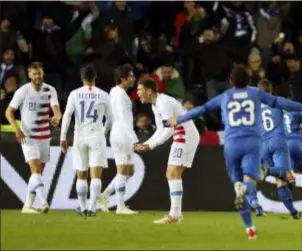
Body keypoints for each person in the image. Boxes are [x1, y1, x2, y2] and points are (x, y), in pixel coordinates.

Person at [169, 65, 302, 240]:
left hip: (231, 144)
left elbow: (203, 109)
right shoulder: (256, 93)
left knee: (238, 184)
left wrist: (179, 119)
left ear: (231, 81)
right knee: (249, 182)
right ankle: (245, 193)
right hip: (252, 143)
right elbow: (281, 103)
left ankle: (249, 228)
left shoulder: (225, 96)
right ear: (249, 80)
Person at [135, 78, 200, 224]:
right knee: (174, 174)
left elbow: (169, 130)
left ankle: (174, 216)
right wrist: (145, 143)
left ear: (149, 91)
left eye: (140, 90)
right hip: (183, 135)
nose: (138, 93)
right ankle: (176, 214)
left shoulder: (163, 103)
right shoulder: (156, 105)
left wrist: (150, 146)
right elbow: (160, 129)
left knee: (172, 173)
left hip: (184, 135)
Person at [5, 62, 62, 214]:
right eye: (34, 73)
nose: (37, 76)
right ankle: (44, 203)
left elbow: (56, 109)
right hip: (28, 137)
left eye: (39, 73)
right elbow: (9, 112)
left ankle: (27, 206)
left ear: (43, 73)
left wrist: (57, 116)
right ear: (29, 75)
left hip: (44, 137)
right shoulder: (23, 91)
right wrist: (16, 129)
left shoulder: (50, 90)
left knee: (38, 173)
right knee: (36, 170)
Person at [59, 64, 113, 217]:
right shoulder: (103, 95)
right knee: (96, 175)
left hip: (79, 136)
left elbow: (67, 115)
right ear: (95, 77)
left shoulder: (75, 94)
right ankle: (92, 208)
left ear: (82, 78)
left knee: (81, 174)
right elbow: (110, 119)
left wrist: (63, 137)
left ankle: (83, 208)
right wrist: (103, 131)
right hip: (96, 136)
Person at [255, 79, 300, 219]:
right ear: (271, 90)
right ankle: (267, 171)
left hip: (263, 145)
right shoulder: (277, 101)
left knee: (282, 179)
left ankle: (294, 212)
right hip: (278, 141)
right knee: (284, 179)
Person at [99, 64, 138, 215]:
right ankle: (120, 206)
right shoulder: (120, 95)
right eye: (131, 76)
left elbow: (109, 116)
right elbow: (122, 118)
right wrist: (133, 138)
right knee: (123, 170)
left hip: (119, 133)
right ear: (123, 79)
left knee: (129, 170)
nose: (133, 79)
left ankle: (105, 195)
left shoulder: (115, 93)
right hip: (122, 135)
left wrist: (105, 131)